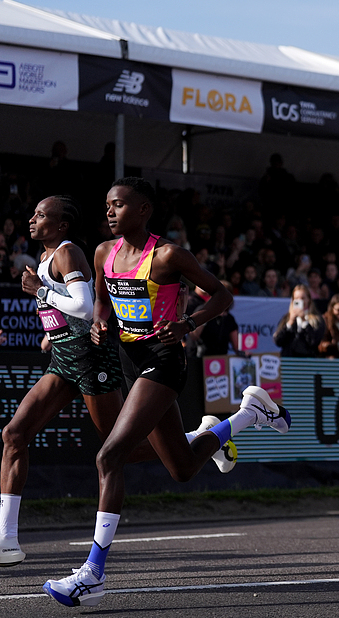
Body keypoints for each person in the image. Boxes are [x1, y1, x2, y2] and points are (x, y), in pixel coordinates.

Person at [40, 178, 291, 607]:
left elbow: (223, 295)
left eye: (118, 205)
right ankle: (250, 414)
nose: (110, 212)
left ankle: (93, 572)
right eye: (106, 205)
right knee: (182, 467)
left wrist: (189, 323)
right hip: (130, 360)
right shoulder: (104, 253)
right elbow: (102, 299)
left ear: (143, 210)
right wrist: (102, 322)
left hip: (165, 360)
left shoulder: (169, 255)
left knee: (109, 455)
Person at [2, 196, 228, 567]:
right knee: (14, 434)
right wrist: (55, 329)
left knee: (119, 450)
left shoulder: (67, 253)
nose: (30, 220)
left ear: (61, 226)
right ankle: (6, 540)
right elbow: (93, 311)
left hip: (94, 362)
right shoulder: (57, 257)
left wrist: (42, 294)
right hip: (64, 358)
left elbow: (83, 305)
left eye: (41, 215)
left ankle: (196, 439)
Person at [273, 284, 326, 358]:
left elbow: (314, 342)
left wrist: (304, 321)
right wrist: (290, 322)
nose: (300, 301)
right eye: (297, 298)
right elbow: (278, 341)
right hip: (288, 360)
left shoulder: (317, 319)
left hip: (307, 361)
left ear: (309, 299)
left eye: (303, 298)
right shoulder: (286, 318)